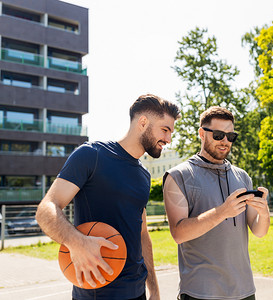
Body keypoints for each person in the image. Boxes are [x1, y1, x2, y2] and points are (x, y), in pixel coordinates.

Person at [36, 94, 181, 300]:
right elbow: (47, 208)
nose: (168, 139)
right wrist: (75, 241)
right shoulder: (91, 155)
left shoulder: (144, 175)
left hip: (137, 291)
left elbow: (142, 234)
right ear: (143, 122)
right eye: (165, 130)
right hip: (96, 291)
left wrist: (154, 289)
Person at [163, 106, 270, 300]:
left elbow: (259, 231)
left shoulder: (243, 177)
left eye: (231, 136)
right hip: (200, 292)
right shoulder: (179, 176)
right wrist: (222, 212)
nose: (225, 142)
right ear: (202, 134)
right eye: (219, 135)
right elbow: (178, 234)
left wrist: (264, 213)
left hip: (244, 290)